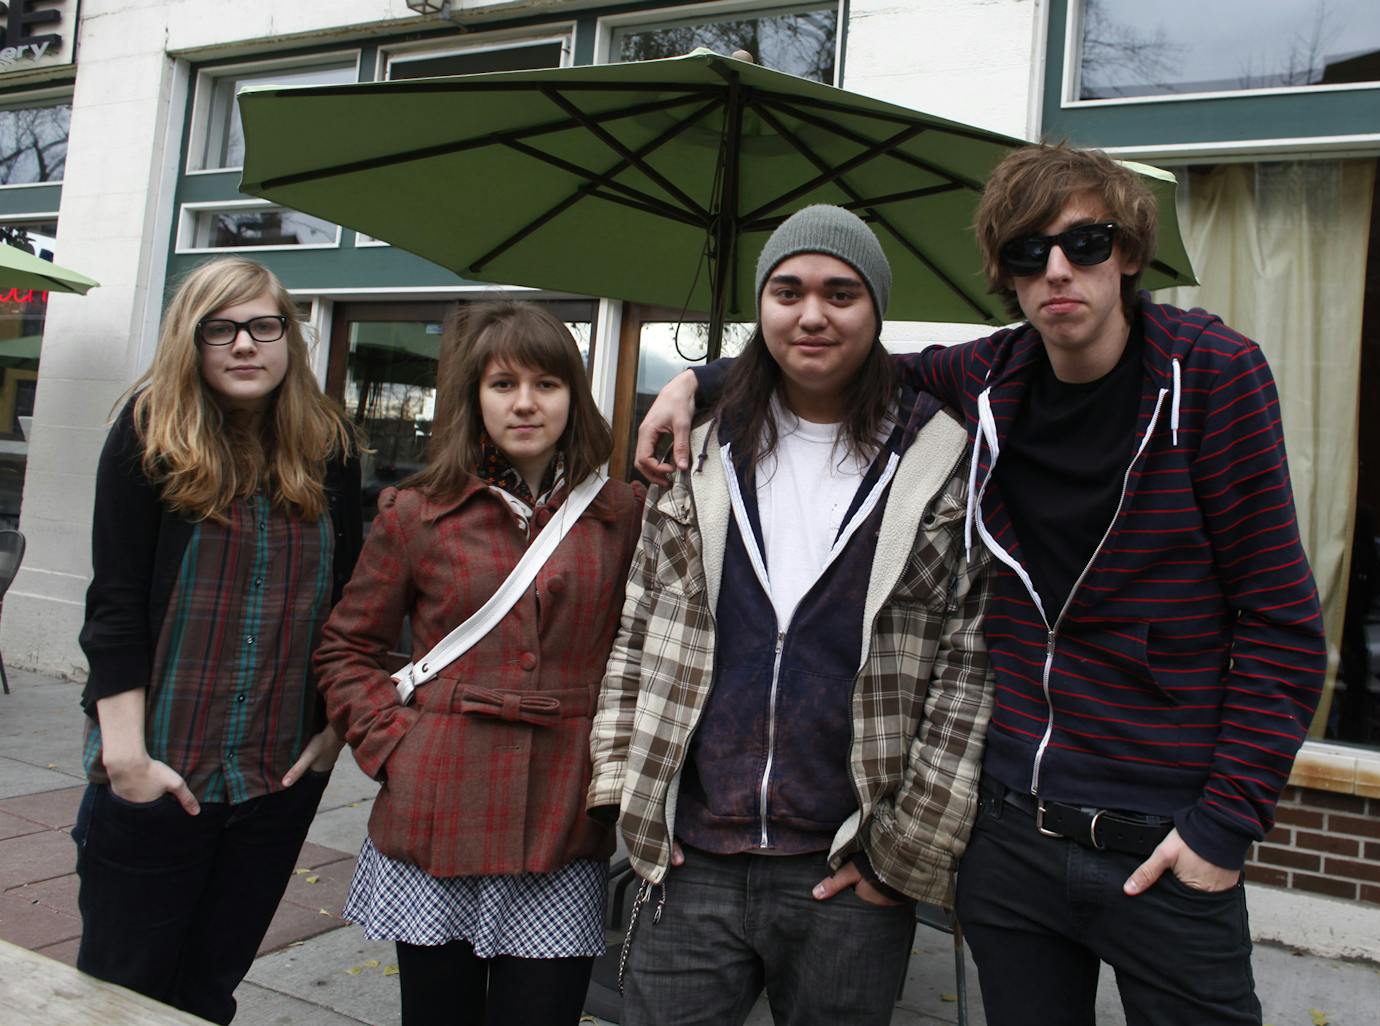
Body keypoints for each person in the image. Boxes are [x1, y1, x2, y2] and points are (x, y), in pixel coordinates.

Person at [638, 145, 1329, 1025]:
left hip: (1162, 836)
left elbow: (1279, 623)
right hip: (1011, 841)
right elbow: (847, 365)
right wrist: (696, 382)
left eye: (1086, 241)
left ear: (1128, 252)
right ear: (1005, 273)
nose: (1059, 270)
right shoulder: (992, 378)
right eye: (1029, 253)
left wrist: (1224, 826)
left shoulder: (1213, 379)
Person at [589, 204, 994, 1026]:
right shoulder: (698, 445)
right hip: (687, 857)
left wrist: (903, 855)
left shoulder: (941, 454)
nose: (811, 314)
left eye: (841, 293)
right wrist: (625, 795)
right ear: (761, 307)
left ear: (876, 309)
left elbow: (968, 667)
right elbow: (639, 626)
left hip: (847, 865)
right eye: (788, 290)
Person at [313, 302, 644, 1026]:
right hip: (437, 807)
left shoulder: (621, 514)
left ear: (573, 396)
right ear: (474, 397)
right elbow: (346, 647)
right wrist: (395, 747)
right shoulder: (417, 510)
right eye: (503, 384)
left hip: (563, 818)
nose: (525, 402)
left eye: (547, 383)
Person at [72, 257, 363, 1024]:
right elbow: (115, 608)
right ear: (191, 341)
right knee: (117, 999)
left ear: (288, 339)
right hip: (162, 771)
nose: (244, 345)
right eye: (221, 329)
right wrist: (126, 759)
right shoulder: (148, 436)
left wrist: (334, 730)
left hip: (275, 782)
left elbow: (356, 606)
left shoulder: (328, 449)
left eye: (263, 326)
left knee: (206, 996)